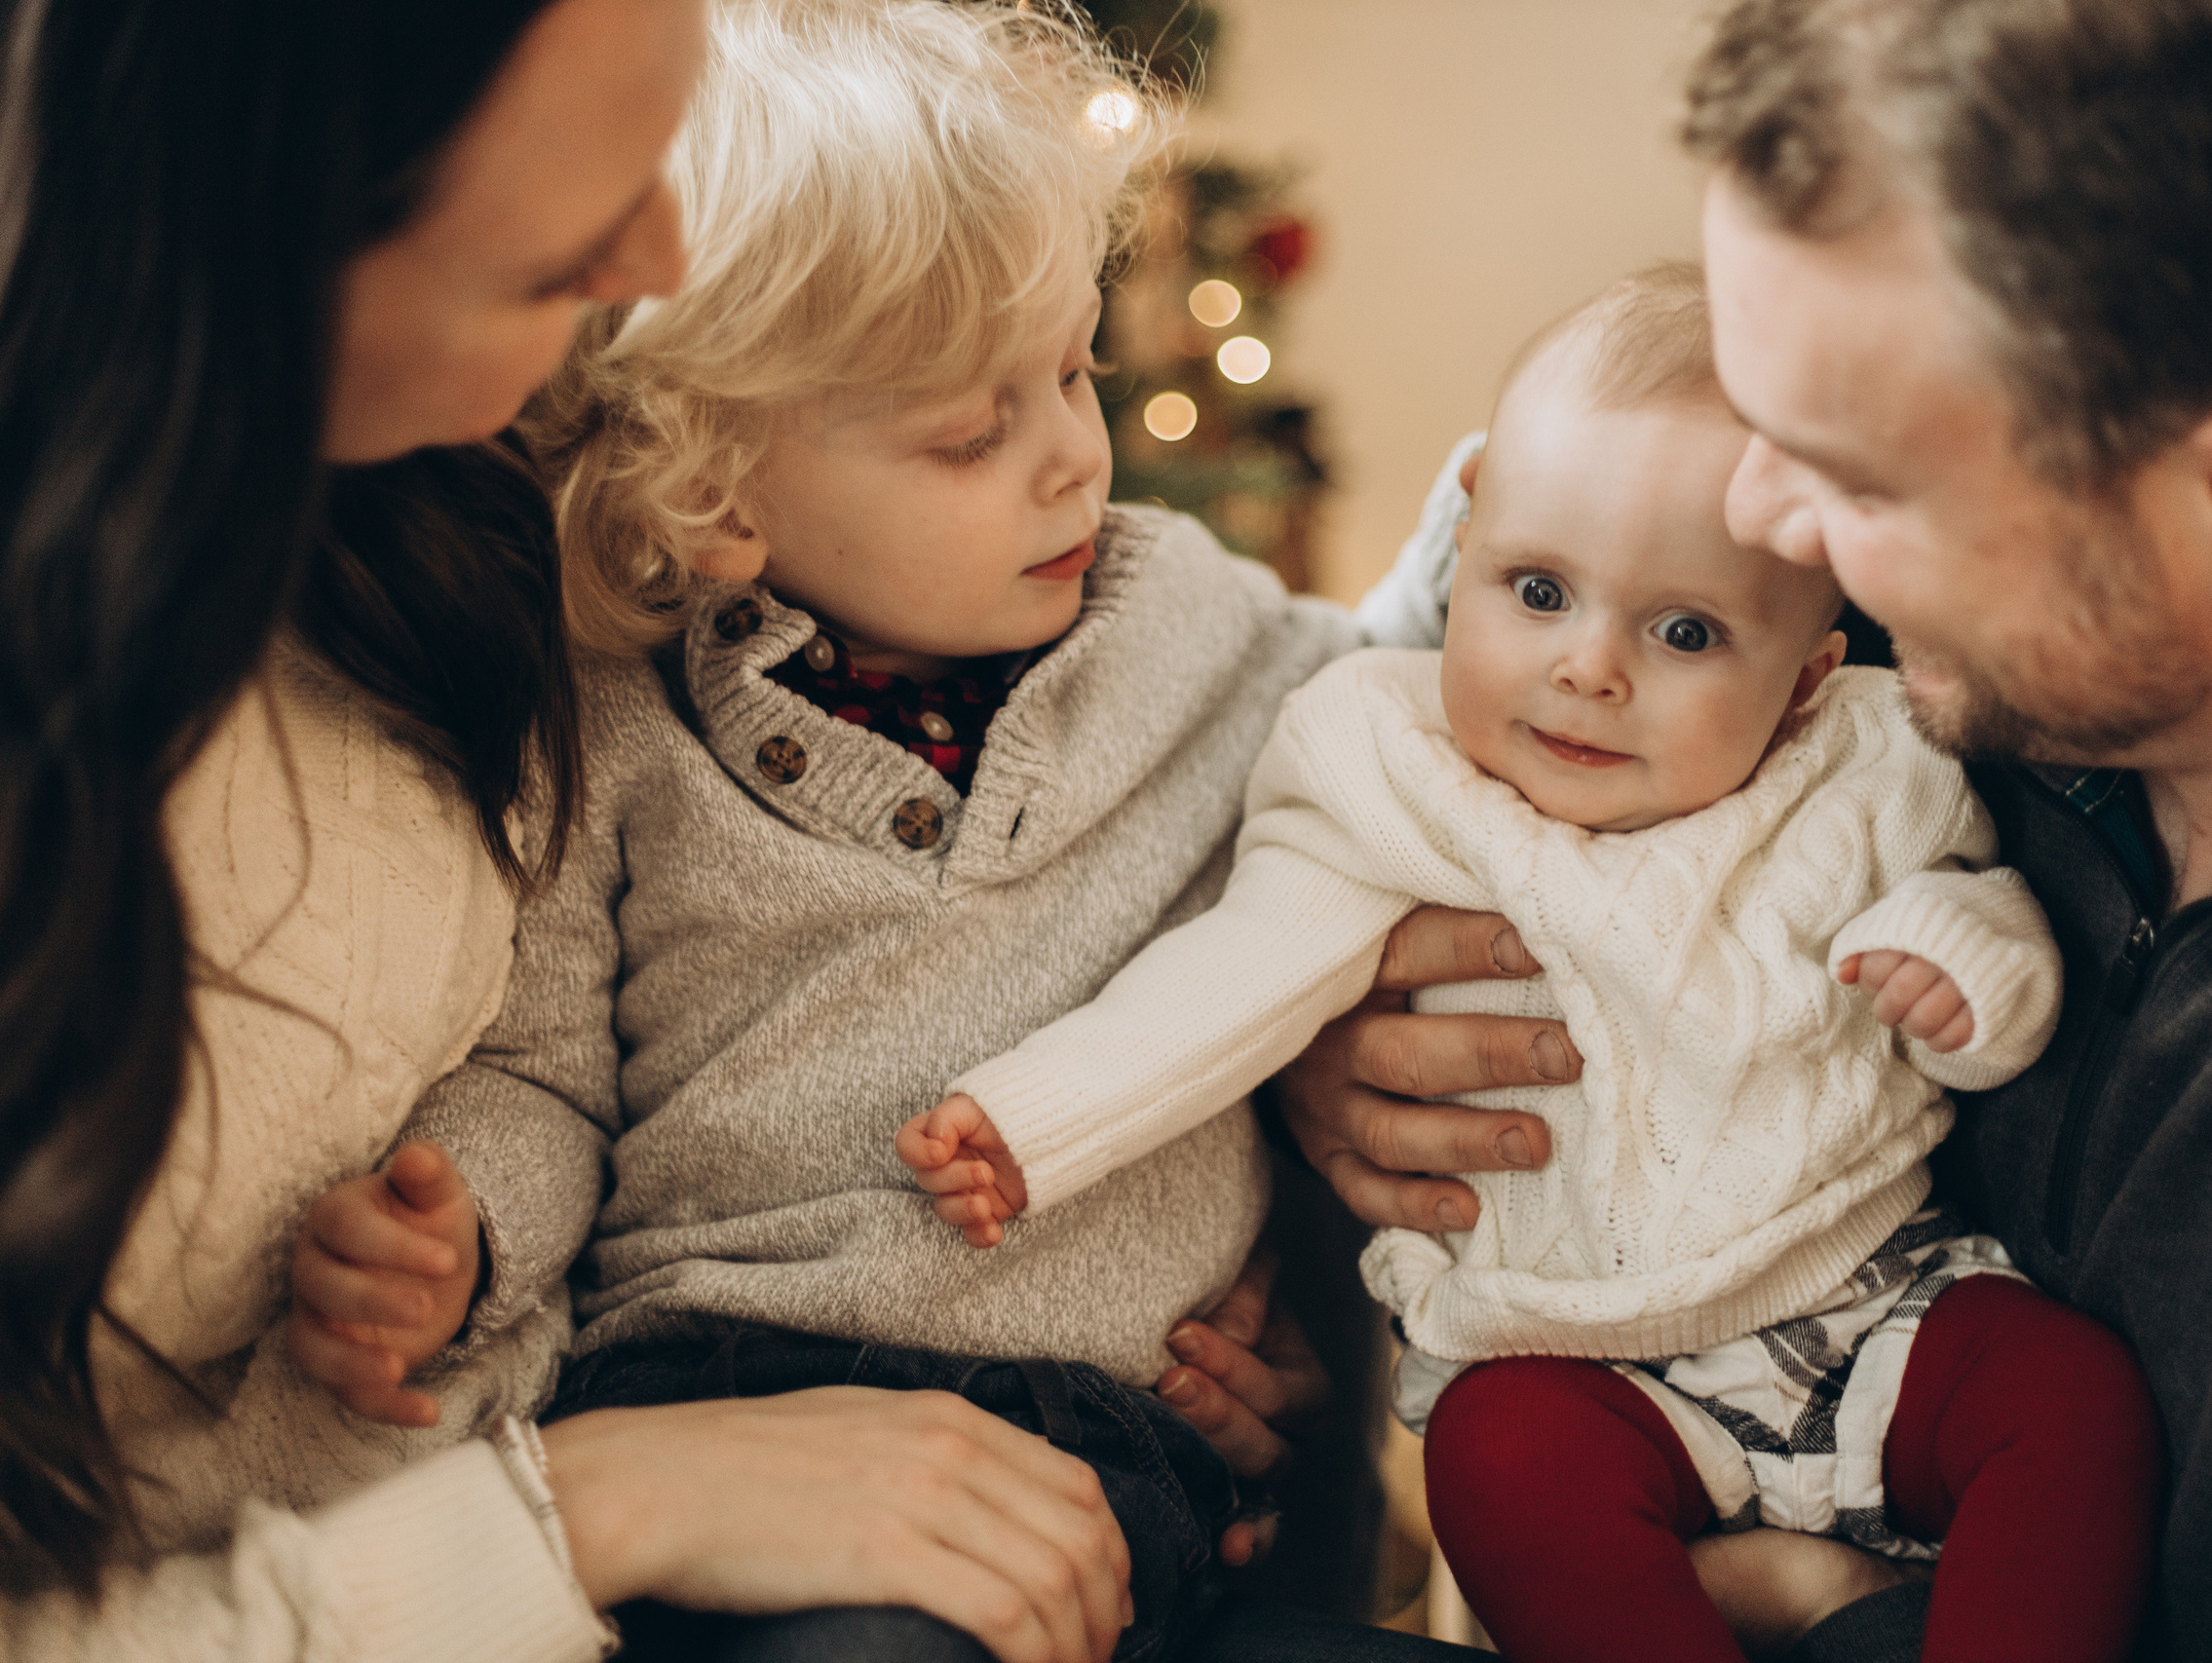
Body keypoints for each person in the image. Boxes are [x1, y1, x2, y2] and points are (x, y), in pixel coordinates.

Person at [0, 2, 1393, 1659]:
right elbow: (543, 1081)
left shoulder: (1201, 632)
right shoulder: (617, 715)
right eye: (968, 432)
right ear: (717, 497)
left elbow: (1442, 673)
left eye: (1080, 372)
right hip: (690, 1399)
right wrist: (467, 1239)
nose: (1075, 463)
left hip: (1106, 1449)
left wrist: (1326, 1031)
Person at [1289, 1, 2212, 1660]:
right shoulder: (1985, 665)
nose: (1764, 522)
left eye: (1854, 476)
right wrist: (1346, 1047)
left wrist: (1838, 1618)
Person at [904, 264, 2157, 1663]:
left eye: (1685, 632)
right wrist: (1035, 1121)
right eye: (1540, 591)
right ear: (1468, 539)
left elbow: (1985, 922)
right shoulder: (1389, 765)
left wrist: (1961, 979)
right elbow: (1239, 973)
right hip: (1570, 1360)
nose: (1590, 669)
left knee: (2071, 1399)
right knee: (1496, 1462)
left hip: (1871, 1299)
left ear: (1808, 675)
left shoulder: (1862, 764)